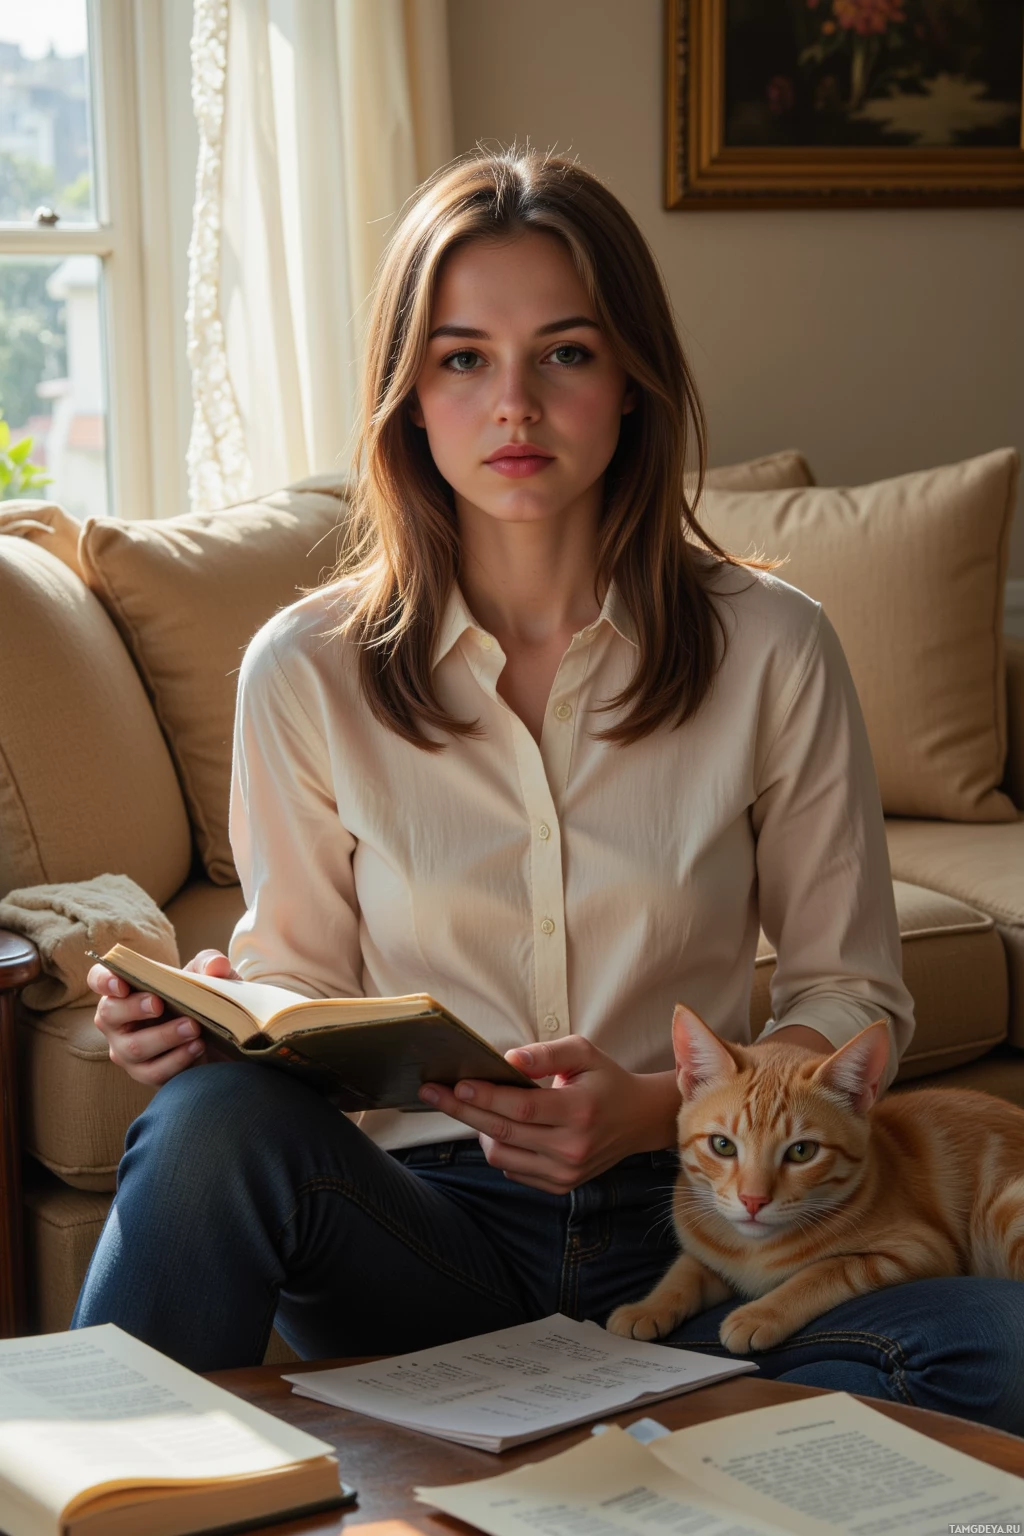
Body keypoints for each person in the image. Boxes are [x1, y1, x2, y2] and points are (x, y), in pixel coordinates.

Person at [75, 149, 1023, 1432]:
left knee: (1006, 1345)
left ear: (630, 377)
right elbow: (297, 972)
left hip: (708, 1226)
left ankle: (635, 1399)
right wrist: (215, 1026)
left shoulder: (774, 645)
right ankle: (91, 1484)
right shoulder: (302, 667)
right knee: (204, 1122)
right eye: (463, 357)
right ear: (409, 393)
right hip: (423, 1237)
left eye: (564, 352)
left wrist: (655, 1110)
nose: (511, 402)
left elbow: (845, 988)